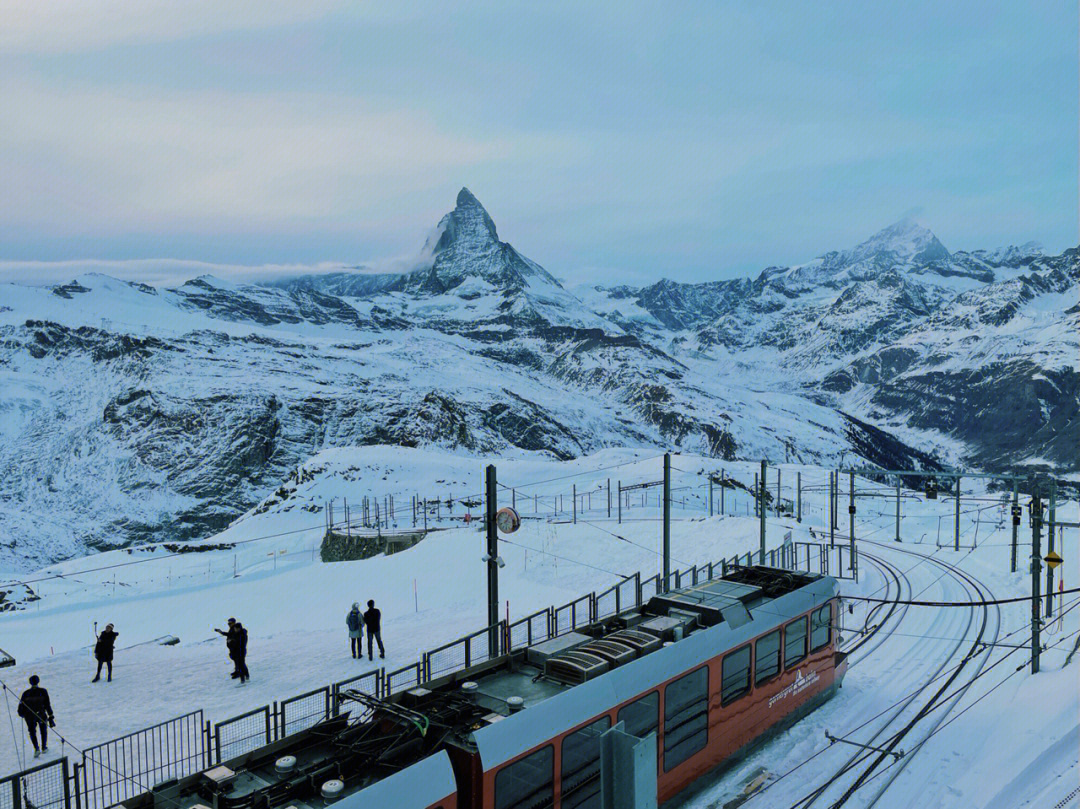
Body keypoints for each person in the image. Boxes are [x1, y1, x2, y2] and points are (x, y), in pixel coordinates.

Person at [17, 675, 54, 759]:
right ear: (38, 681)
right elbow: (47, 704)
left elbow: (21, 706)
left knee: (32, 732)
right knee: (43, 730)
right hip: (41, 714)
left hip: (29, 716)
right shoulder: (43, 691)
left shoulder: (25, 693)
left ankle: (36, 749)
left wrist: (22, 714)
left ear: (30, 682)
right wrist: (51, 715)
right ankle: (44, 747)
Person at [215, 618, 249, 682]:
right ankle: (243, 676)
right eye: (228, 623)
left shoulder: (239, 633)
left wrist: (232, 641)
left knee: (241, 665)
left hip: (239, 651)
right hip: (236, 651)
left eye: (230, 623)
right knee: (240, 664)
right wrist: (221, 632)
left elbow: (239, 643)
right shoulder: (235, 631)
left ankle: (243, 679)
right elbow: (230, 635)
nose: (229, 624)